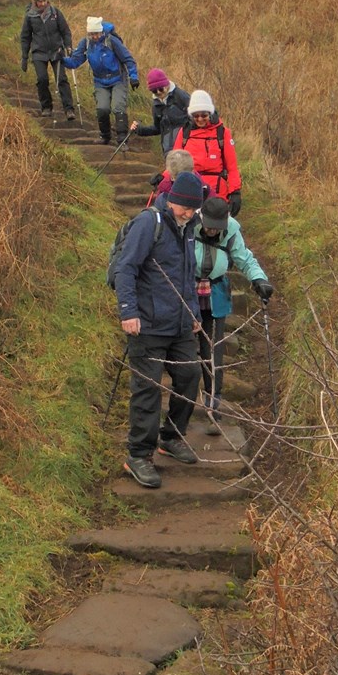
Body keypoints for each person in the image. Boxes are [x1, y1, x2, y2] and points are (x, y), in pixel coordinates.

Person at [113, 171, 205, 489]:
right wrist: (128, 311)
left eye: (194, 210)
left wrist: (193, 313)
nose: (189, 214)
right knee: (148, 390)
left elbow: (187, 274)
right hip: (147, 325)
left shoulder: (189, 227)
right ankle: (138, 455)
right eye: (185, 208)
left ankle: (171, 437)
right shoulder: (147, 223)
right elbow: (126, 268)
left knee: (190, 376)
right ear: (173, 200)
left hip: (179, 323)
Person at [194, 196, 273, 432]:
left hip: (216, 294)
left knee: (213, 350)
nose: (211, 230)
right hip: (186, 292)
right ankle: (182, 406)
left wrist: (259, 279)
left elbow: (244, 258)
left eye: (216, 227)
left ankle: (213, 407)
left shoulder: (230, 233)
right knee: (184, 350)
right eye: (208, 225)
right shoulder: (188, 226)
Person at [64, 17, 138, 145]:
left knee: (118, 107)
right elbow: (75, 62)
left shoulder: (112, 41)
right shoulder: (86, 43)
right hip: (100, 81)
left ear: (101, 32)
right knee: (102, 109)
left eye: (96, 34)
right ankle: (105, 136)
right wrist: (61, 59)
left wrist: (133, 77)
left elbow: (128, 59)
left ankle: (122, 138)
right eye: (92, 34)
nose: (95, 37)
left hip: (118, 79)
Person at [171, 90, 243, 215]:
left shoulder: (222, 133)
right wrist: (163, 179)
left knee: (216, 229)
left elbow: (232, 167)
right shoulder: (184, 133)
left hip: (217, 193)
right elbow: (174, 164)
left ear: (210, 113)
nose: (200, 119)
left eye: (204, 115)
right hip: (190, 190)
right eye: (196, 116)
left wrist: (235, 191)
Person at [20, 0, 76, 120]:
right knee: (42, 79)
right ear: (35, 1)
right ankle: (46, 107)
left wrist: (68, 46)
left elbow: (65, 31)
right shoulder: (30, 16)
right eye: (40, 1)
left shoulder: (56, 13)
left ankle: (69, 109)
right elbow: (25, 37)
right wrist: (24, 57)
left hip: (57, 51)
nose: (43, 4)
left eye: (45, 1)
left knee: (61, 79)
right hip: (39, 52)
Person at [130, 68, 190, 155]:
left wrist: (186, 136)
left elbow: (195, 118)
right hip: (168, 151)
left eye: (161, 89)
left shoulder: (181, 96)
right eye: (154, 91)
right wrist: (139, 129)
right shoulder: (156, 105)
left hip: (186, 148)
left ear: (166, 85)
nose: (158, 92)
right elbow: (158, 128)